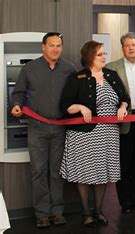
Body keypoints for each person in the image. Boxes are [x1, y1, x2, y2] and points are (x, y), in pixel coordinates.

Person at [59, 40, 130, 226]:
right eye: (100, 54)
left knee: (102, 173)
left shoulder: (111, 75)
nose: (104, 57)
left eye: (105, 53)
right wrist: (81, 106)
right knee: (85, 173)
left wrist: (123, 106)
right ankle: (85, 213)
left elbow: (124, 98)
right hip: (84, 135)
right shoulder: (77, 77)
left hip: (109, 134)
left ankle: (98, 211)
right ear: (89, 56)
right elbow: (65, 106)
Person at [11, 32, 76, 228]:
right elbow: (19, 93)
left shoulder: (70, 69)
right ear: (43, 47)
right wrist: (15, 105)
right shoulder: (30, 68)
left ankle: (57, 211)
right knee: (38, 171)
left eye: (59, 45)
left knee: (56, 172)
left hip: (60, 128)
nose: (56, 49)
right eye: (52, 45)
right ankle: (41, 213)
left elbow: (77, 93)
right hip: (37, 128)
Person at [105, 32, 135, 214]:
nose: (131, 48)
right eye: (127, 45)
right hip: (123, 120)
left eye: (133, 45)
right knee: (124, 163)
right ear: (122, 48)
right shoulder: (111, 68)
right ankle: (126, 202)